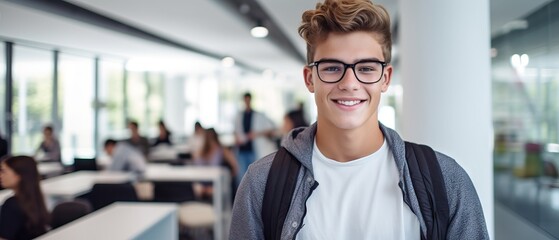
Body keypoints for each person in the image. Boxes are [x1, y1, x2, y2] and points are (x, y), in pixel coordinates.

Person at [230, 0, 489, 239]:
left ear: (385, 78)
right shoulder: (261, 183)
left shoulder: (445, 179)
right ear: (310, 79)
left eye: (366, 68)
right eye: (332, 68)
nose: (350, 83)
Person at [0, 156, 49, 239]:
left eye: (3, 171)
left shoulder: (11, 205)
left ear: (18, 175)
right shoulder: (36, 200)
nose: (0, 175)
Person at [234, 92, 276, 183]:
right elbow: (236, 131)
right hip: (242, 150)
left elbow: (271, 130)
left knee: (254, 177)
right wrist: (237, 139)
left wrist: (255, 134)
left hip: (254, 150)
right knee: (242, 177)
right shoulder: (239, 115)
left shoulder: (259, 115)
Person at [192, 128, 238, 199]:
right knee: (197, 187)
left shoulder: (222, 150)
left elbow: (235, 167)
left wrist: (228, 178)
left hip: (217, 182)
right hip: (204, 181)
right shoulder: (201, 152)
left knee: (213, 189)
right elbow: (196, 166)